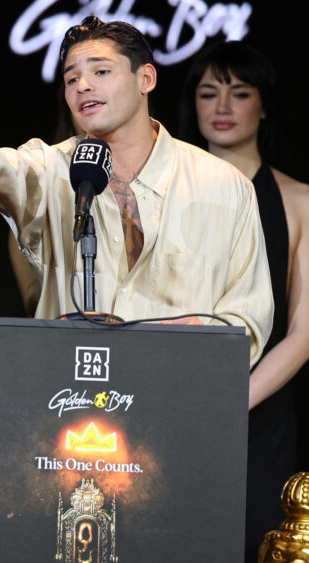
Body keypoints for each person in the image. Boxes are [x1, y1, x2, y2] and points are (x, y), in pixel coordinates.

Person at [0, 16, 273, 365]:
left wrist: (196, 335)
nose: (82, 85)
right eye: (71, 79)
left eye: (100, 72)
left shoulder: (225, 186)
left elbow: (248, 318)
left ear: (145, 78)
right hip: (70, 403)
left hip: (180, 395)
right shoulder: (52, 169)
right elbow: (6, 171)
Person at [179, 41, 309, 563]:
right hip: (174, 400)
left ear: (264, 104)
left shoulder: (299, 200)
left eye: (240, 92)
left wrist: (232, 402)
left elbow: (303, 331)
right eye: (209, 93)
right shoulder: (160, 194)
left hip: (262, 410)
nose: (224, 106)